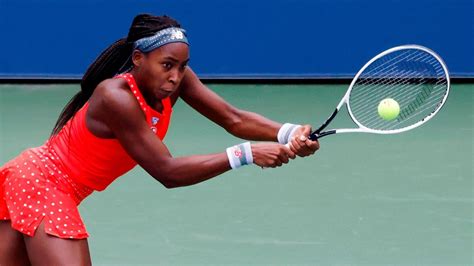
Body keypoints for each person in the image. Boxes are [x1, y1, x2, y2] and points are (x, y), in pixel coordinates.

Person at [0, 14, 319, 265]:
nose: (175, 76)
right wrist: (245, 154)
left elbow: (232, 117)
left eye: (182, 67)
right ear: (138, 58)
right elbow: (167, 172)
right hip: (40, 185)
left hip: (31, 179)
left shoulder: (175, 81)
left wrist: (289, 133)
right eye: (167, 65)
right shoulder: (116, 98)